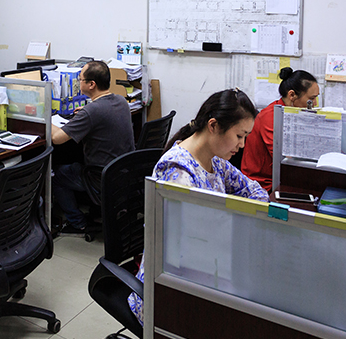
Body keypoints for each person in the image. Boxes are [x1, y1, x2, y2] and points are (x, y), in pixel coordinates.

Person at [127, 88, 269, 325]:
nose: (242, 145)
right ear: (213, 125)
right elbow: (187, 249)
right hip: (166, 290)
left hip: (207, 271)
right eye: (239, 135)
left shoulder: (215, 160)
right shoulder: (178, 172)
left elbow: (256, 192)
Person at [51, 60, 135, 233]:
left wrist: (44, 116)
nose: (78, 82)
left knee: (56, 176)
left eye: (80, 79)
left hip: (100, 178)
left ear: (91, 84)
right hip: (123, 174)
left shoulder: (92, 112)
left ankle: (78, 222)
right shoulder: (121, 101)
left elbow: (56, 138)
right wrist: (85, 113)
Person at [240, 67, 320, 192]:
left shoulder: (292, 114)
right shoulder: (271, 116)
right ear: (292, 95)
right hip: (261, 184)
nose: (315, 104)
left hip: (279, 178)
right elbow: (284, 159)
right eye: (312, 98)